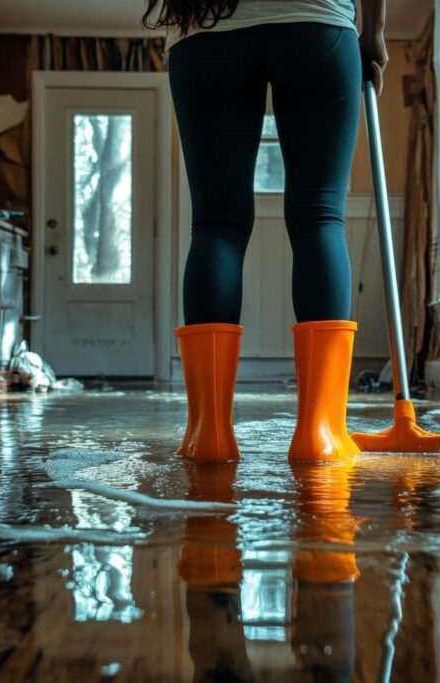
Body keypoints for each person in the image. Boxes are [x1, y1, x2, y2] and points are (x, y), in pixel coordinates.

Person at [145, 0, 388, 463]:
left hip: (205, 30)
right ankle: (320, 433)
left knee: (215, 226)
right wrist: (374, 30)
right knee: (319, 217)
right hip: (315, 19)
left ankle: (208, 433)